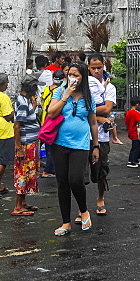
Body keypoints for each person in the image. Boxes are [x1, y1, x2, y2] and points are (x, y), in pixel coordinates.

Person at [46, 61, 99, 236]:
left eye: (76, 75)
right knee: (62, 182)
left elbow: (93, 122)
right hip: (59, 144)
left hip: (81, 144)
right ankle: (65, 222)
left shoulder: (88, 96)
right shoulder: (60, 91)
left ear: (83, 77)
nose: (72, 78)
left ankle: (84, 211)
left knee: (75, 179)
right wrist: (66, 93)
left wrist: (96, 146)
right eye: (70, 75)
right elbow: (51, 112)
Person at [87, 53, 117, 215]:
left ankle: (100, 198)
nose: (97, 71)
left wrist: (88, 110)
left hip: (102, 137)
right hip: (84, 136)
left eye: (99, 67)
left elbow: (107, 109)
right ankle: (81, 207)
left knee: (101, 170)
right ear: (88, 68)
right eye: (93, 68)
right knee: (81, 174)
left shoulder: (109, 87)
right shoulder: (83, 86)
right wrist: (98, 116)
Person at [11, 75, 40, 217]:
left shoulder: (25, 101)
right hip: (25, 144)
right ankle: (18, 206)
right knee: (23, 174)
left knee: (27, 174)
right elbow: (17, 126)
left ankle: (22, 203)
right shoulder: (22, 102)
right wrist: (19, 147)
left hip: (30, 142)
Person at [40, 71, 64, 178]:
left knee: (48, 146)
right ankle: (48, 170)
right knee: (51, 148)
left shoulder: (46, 88)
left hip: (44, 120)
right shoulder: (57, 92)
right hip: (52, 121)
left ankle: (50, 168)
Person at [125, 96, 140, 167]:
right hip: (135, 131)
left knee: (136, 146)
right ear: (137, 104)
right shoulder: (136, 112)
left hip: (130, 130)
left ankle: (135, 160)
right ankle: (132, 161)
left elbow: (126, 121)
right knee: (136, 147)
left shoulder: (128, 112)